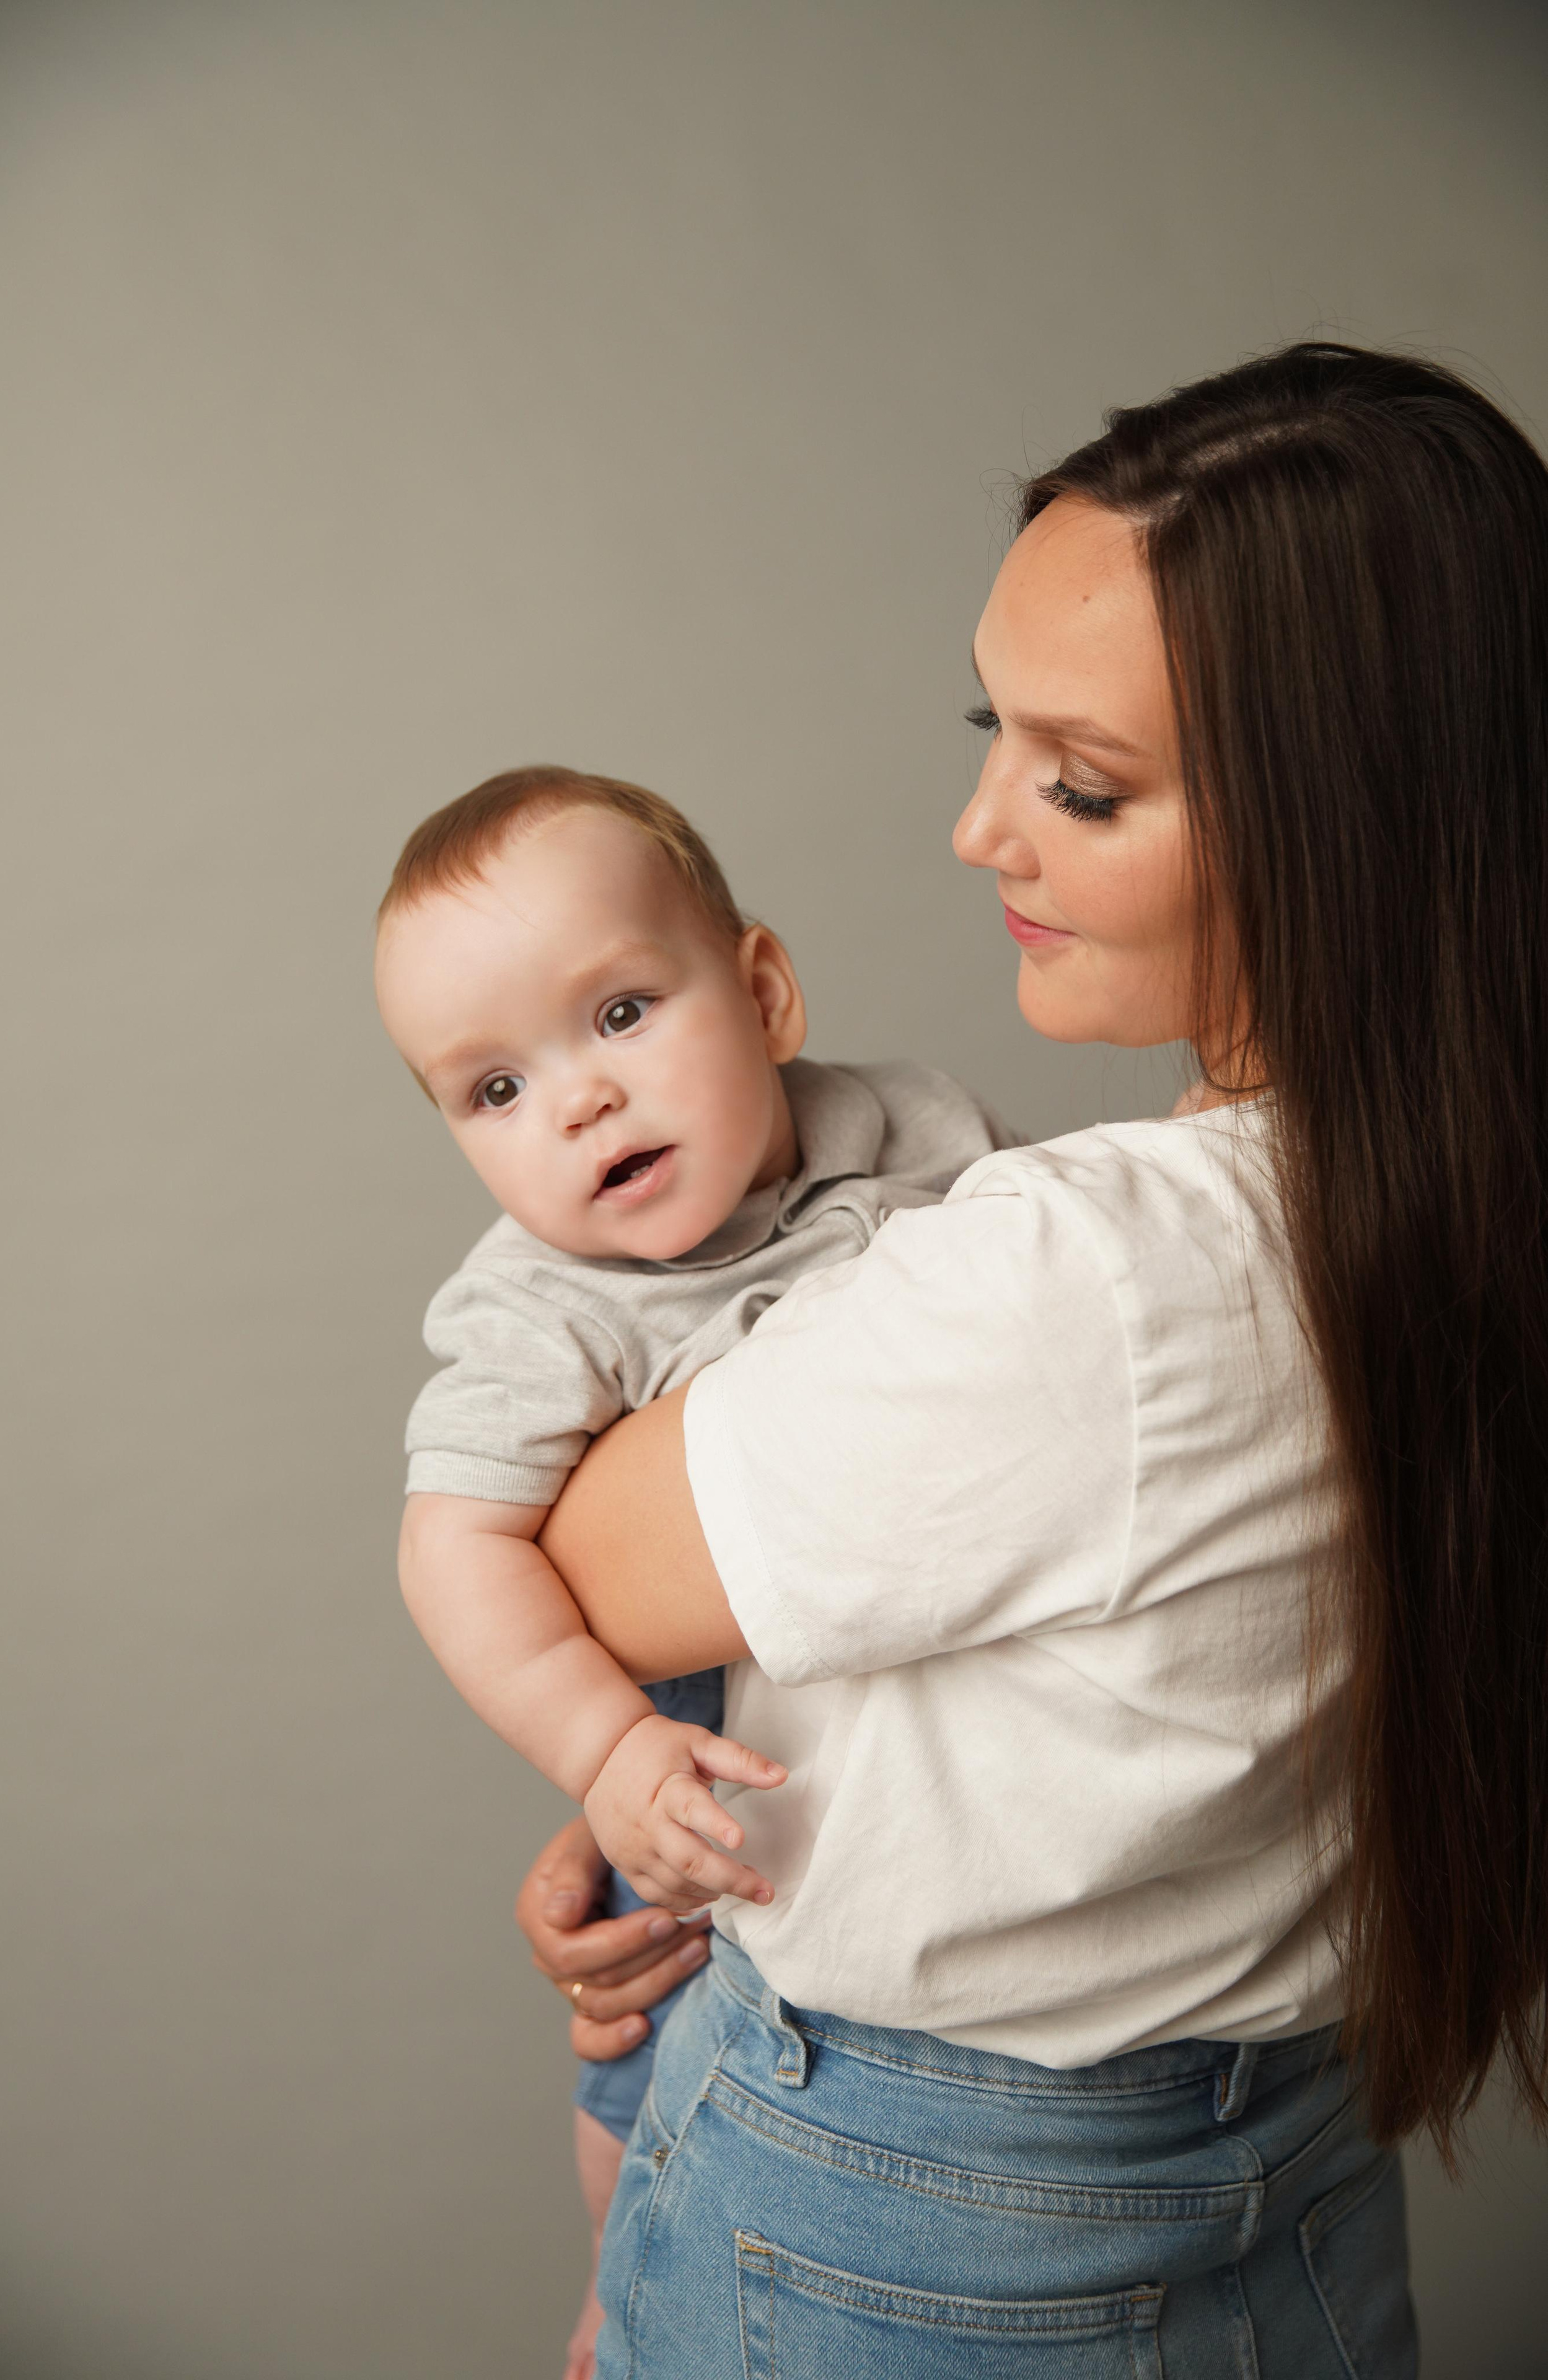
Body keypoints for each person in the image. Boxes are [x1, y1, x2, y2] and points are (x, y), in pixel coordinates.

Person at [517, 342, 1548, 2377]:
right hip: (1287, 2175)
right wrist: (674, 1811)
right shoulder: (1455, 1201)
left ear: (1352, 821)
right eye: (994, 731)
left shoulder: (1097, 1274)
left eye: (1086, 784)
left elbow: (584, 1555)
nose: (980, 826)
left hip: (909, 2223)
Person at [371, 767, 1016, 2372]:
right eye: (494, 1089)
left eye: (620, 1014)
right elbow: (454, 1545)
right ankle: (622, 2289)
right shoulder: (543, 1309)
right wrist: (605, 1752)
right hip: (713, 1759)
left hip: (951, 1753)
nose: (577, 1101)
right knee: (647, 2024)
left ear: (766, 992)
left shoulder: (922, 1132)